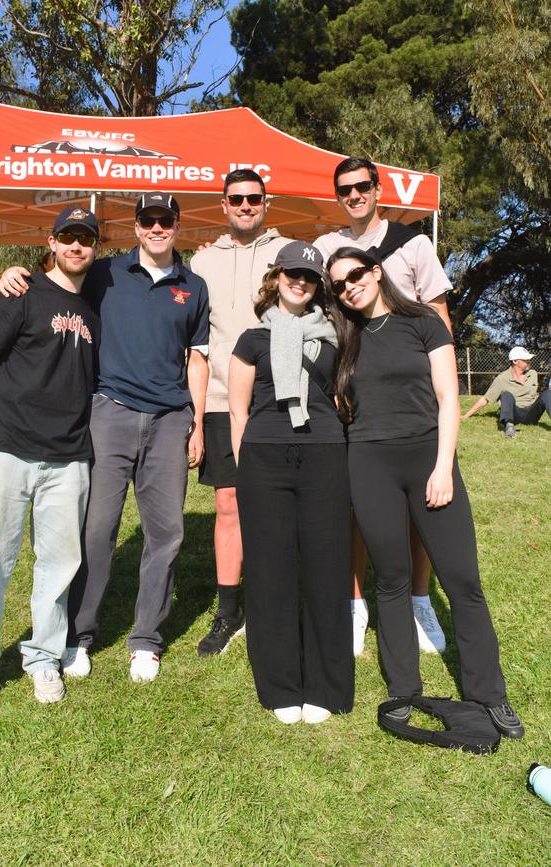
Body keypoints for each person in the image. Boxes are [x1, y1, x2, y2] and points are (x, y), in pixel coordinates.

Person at [0, 193, 209, 684]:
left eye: (165, 220)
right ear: (135, 227)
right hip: (109, 413)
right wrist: (14, 271)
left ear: (177, 225)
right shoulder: (106, 273)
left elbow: (197, 358)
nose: (156, 228)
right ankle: (79, 634)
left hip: (170, 419)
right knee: (96, 532)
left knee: (166, 534)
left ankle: (146, 640)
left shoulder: (194, 286)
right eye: (147, 220)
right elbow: (56, 283)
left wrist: (195, 421)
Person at [326, 246, 524, 739]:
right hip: (369, 463)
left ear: (376, 271)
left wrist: (442, 467)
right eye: (338, 284)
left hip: (428, 458)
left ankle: (489, 694)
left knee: (462, 581)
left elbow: (448, 397)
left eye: (354, 275)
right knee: (391, 578)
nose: (349, 286)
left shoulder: (423, 322)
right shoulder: (344, 338)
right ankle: (403, 689)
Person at [0, 206, 100, 718]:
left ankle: (43, 658)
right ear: (52, 242)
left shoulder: (99, 303)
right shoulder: (22, 291)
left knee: (58, 567)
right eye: (68, 237)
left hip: (69, 456)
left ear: (95, 248)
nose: (77, 247)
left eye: (86, 239)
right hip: (7, 446)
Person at [314, 156, 452, 657]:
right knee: (354, 505)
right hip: (353, 394)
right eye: (344, 189)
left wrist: (442, 394)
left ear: (378, 188)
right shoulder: (326, 249)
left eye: (361, 186)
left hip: (411, 399)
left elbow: (439, 316)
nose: (354, 195)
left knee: (420, 508)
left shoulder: (413, 243)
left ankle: (420, 601)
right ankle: (355, 605)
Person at [229, 242, 353, 725]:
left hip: (324, 453)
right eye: (292, 273)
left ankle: (325, 684)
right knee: (271, 570)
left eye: (308, 276)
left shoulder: (337, 332)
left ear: (318, 283)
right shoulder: (251, 339)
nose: (299, 282)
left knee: (326, 566)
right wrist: (244, 465)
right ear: (277, 277)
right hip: (264, 457)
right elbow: (238, 410)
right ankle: (280, 683)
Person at [190, 169, 292, 656]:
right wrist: (194, 415)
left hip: (279, 397)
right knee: (228, 503)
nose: (246, 205)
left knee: (278, 504)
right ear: (223, 204)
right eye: (237, 199)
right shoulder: (203, 260)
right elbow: (194, 341)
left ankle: (275, 603)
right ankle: (229, 612)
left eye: (254, 198)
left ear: (266, 202)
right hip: (217, 399)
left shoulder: (290, 251)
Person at [462, 346, 551, 436]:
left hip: (531, 414)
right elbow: (486, 399)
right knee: (506, 395)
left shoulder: (533, 374)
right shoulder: (502, 378)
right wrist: (466, 416)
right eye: (525, 359)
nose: (529, 361)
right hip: (514, 414)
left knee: (548, 393)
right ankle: (509, 427)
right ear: (515, 361)